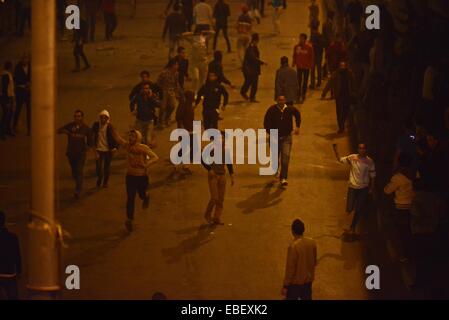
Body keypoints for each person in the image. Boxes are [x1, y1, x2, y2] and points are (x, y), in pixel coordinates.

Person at [113, 130, 159, 232]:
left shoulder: (143, 148)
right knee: (130, 198)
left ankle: (146, 196)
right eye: (130, 136)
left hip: (141, 177)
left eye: (133, 136)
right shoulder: (127, 146)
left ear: (137, 138)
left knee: (141, 194)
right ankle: (129, 219)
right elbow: (119, 139)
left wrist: (146, 164)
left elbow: (155, 157)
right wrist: (110, 127)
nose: (130, 138)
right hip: (130, 176)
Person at [333, 143, 376, 235]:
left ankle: (352, 228)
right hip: (352, 187)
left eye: (363, 148)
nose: (362, 150)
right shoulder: (352, 158)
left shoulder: (370, 162)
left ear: (366, 149)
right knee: (349, 208)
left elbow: (372, 176)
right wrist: (336, 151)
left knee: (359, 209)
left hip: (363, 188)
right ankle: (346, 226)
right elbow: (340, 160)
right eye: (360, 148)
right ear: (358, 149)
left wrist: (371, 188)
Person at [384, 153, 415, 263]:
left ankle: (405, 256)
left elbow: (387, 190)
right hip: (413, 206)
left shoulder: (397, 177)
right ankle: (413, 253)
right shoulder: (414, 174)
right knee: (412, 231)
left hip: (401, 207)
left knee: (403, 233)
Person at [264, 95, 301, 187]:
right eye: (279, 100)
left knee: (285, 158)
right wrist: (270, 132)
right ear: (276, 101)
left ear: (285, 101)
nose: (281, 102)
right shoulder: (271, 110)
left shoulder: (290, 109)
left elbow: (297, 114)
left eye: (283, 100)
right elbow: (266, 122)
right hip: (274, 138)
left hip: (286, 138)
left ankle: (283, 178)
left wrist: (297, 126)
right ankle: (276, 172)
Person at [57, 110, 92, 199]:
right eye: (76, 116)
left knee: (79, 171)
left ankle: (78, 190)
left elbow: (90, 141)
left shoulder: (86, 128)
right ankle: (77, 182)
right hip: (71, 153)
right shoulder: (70, 126)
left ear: (82, 117)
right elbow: (59, 130)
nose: (77, 118)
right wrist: (66, 131)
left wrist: (87, 148)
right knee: (74, 171)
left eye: (79, 116)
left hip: (81, 154)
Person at [202, 132, 235, 225]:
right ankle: (207, 215)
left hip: (222, 176)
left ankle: (217, 217)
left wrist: (232, 176)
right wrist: (209, 169)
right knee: (214, 198)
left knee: (220, 199)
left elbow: (229, 163)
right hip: (214, 176)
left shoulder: (226, 150)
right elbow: (202, 158)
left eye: (223, 138)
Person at [282, 219, 317, 300]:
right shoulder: (312, 242)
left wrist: (285, 285)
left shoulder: (293, 247)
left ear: (292, 231)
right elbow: (314, 261)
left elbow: (290, 268)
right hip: (308, 282)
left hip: (295, 284)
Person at [321, 61, 355, 133]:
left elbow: (353, 83)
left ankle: (342, 123)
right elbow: (329, 83)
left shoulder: (349, 73)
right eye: (341, 66)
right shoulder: (335, 74)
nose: (342, 67)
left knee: (346, 110)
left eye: (343, 65)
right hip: (339, 96)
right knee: (339, 112)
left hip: (347, 95)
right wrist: (324, 93)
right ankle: (341, 127)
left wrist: (354, 92)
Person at [91, 110, 119, 188]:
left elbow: (116, 137)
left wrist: (116, 147)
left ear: (107, 119)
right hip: (99, 150)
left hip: (108, 150)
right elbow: (91, 134)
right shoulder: (96, 125)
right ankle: (99, 179)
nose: (103, 120)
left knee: (107, 167)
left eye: (105, 118)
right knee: (98, 167)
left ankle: (105, 182)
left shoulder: (110, 127)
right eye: (102, 118)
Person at [0, 211, 22, 300]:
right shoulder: (13, 237)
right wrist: (19, 271)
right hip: (10, 274)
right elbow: (17, 256)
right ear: (4, 222)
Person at [241, 33, 265, 103]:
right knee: (253, 83)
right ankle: (250, 96)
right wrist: (261, 62)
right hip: (251, 69)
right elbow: (253, 58)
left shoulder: (252, 46)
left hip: (251, 69)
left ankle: (245, 92)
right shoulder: (251, 48)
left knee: (249, 82)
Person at [157, 58, 181, 128]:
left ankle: (167, 117)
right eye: (176, 65)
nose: (177, 66)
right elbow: (158, 82)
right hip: (164, 91)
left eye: (177, 65)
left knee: (172, 106)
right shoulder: (164, 73)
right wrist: (161, 90)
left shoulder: (176, 73)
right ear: (172, 65)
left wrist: (177, 92)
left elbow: (176, 83)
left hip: (171, 91)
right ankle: (161, 121)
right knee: (162, 107)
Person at [292, 33, 314, 104]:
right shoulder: (297, 47)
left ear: (305, 39)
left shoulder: (309, 47)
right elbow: (295, 55)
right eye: (300, 38)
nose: (300, 40)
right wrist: (294, 62)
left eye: (302, 38)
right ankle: (298, 95)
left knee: (305, 82)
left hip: (306, 67)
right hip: (299, 67)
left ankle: (303, 94)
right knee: (298, 81)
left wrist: (311, 65)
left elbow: (311, 57)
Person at [13, 54, 31, 135]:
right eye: (23, 59)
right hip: (20, 92)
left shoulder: (31, 66)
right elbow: (16, 78)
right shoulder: (17, 68)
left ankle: (30, 129)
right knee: (18, 109)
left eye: (26, 59)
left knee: (29, 111)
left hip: (28, 92)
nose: (25, 61)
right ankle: (14, 126)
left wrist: (30, 83)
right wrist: (24, 83)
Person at [1, 61, 15, 139]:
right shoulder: (5, 75)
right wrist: (7, 100)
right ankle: (2, 133)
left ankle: (7, 130)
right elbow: (5, 89)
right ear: (9, 67)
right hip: (6, 98)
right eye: (11, 67)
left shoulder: (7, 74)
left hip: (8, 97)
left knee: (9, 114)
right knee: (5, 115)